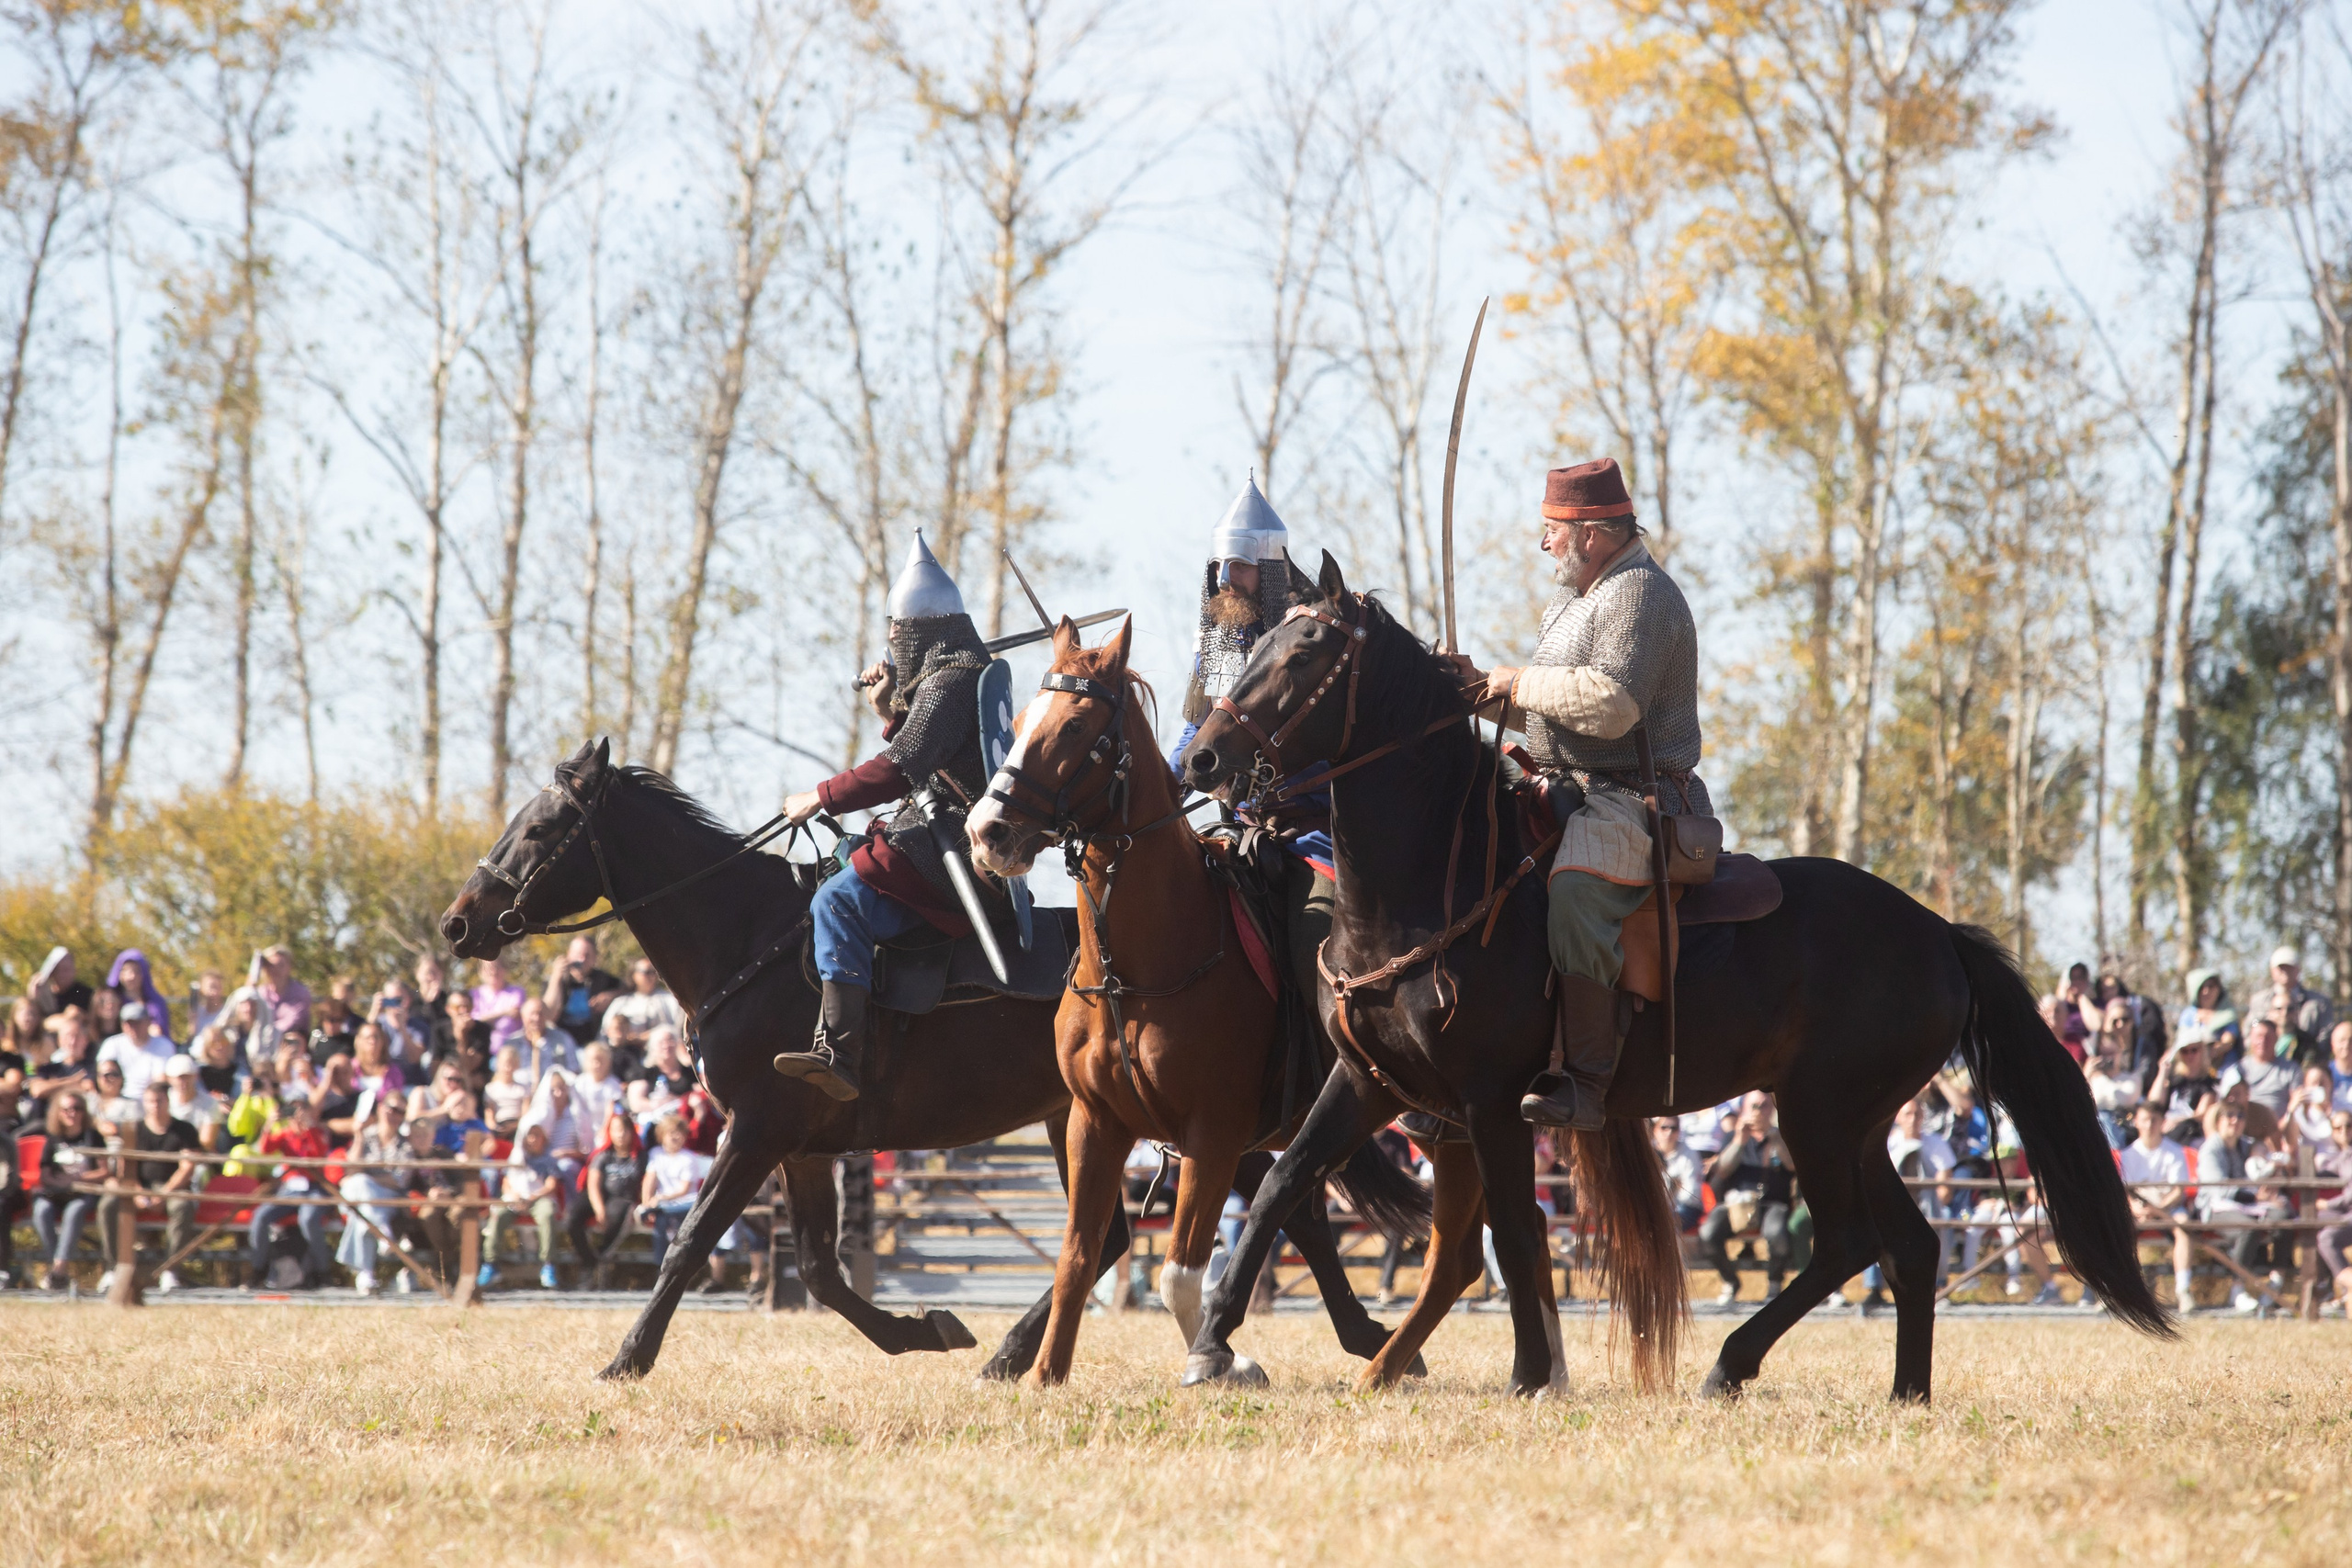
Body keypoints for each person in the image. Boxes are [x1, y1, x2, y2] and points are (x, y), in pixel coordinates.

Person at [1441, 458, 1713, 1129]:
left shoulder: (1641, 593)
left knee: (1576, 891)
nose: (1544, 544)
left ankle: (1588, 1081)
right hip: (1560, 786)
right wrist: (1471, 688)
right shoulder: (1569, 603)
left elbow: (1612, 705)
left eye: (1551, 531)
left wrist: (1508, 678)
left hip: (1635, 800)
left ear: (1591, 534)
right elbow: (1549, 709)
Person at [772, 532, 997, 1101]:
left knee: (837, 900)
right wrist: (889, 709)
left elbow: (902, 768)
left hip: (946, 844)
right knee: (834, 870)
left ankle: (842, 1053)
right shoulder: (955, 677)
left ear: (919, 631)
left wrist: (819, 796)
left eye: (898, 631)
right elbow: (932, 758)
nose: (893, 642)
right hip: (931, 826)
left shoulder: (951, 681)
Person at [97, 1080, 199, 1294]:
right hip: (139, 1186)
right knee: (109, 1203)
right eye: (150, 1101)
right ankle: (113, 1268)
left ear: (168, 1101)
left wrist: (164, 1194)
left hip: (172, 1188)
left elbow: (187, 1167)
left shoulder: (184, 1129)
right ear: (144, 1103)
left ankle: (170, 1270)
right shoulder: (133, 1130)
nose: (155, 1106)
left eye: (159, 1101)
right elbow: (126, 1167)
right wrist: (138, 1193)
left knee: (182, 1206)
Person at [1698, 1092, 1792, 1306]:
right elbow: (1722, 1171)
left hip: (1772, 1204)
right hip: (1736, 1204)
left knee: (1776, 1233)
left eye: (1764, 1106)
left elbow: (1792, 1166)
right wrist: (1740, 1140)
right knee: (1708, 1232)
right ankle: (1731, 1281)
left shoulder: (1781, 1136)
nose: (1759, 1112)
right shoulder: (1734, 1136)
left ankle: (1775, 1283)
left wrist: (1775, 1138)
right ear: (1743, 1110)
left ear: (1773, 1110)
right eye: (1754, 1107)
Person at [2197, 1100, 2290, 1313]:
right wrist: (2256, 1196)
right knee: (2247, 1228)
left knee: (2283, 1216)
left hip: (2249, 1205)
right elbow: (2219, 1188)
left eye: (2240, 1117)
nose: (2235, 1121)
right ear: (2218, 1121)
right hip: (2215, 1208)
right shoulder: (2210, 1149)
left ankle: (2275, 1284)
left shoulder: (2246, 1146)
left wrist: (2268, 1170)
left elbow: (2265, 1163)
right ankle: (2237, 1290)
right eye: (2229, 1116)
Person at [2119, 1100, 2197, 1312]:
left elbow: (2178, 1191)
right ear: (2137, 1122)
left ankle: (2183, 1290)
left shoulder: (2175, 1152)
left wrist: (2157, 1210)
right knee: (2117, 1229)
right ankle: (2120, 1291)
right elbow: (2125, 1192)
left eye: (2155, 1119)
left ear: (2162, 1122)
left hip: (2168, 1208)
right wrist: (2134, 1208)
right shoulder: (2128, 1155)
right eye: (2145, 1119)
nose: (2150, 1124)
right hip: (2138, 1208)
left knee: (2184, 1227)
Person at [247, 1097, 332, 1289]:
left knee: (308, 1219)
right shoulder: (285, 1134)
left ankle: (323, 1272)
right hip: (289, 1188)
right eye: (292, 1111)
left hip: (314, 1188)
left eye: (301, 1110)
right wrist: (269, 1125)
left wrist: (309, 1128)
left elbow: (319, 1154)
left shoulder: (318, 1132)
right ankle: (257, 1269)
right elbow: (265, 1150)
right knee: (260, 1216)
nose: (296, 1115)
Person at [335, 1094, 413, 1295]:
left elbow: (399, 1180)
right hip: (368, 1201)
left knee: (361, 1205)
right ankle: (383, 1233)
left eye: (401, 1112)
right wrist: (359, 1136)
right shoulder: (366, 1136)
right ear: (380, 1108)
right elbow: (351, 1168)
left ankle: (366, 1274)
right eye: (392, 1108)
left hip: (388, 1199)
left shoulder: (405, 1144)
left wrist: (367, 1178)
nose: (395, 1115)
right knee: (362, 1200)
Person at [31, 1092, 105, 1290]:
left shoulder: (92, 1136)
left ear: (83, 1111)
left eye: (77, 1108)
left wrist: (78, 1178)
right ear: (58, 1113)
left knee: (74, 1211)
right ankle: (58, 1268)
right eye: (66, 1109)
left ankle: (58, 1271)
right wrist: (59, 1181)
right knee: (41, 1210)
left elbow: (104, 1171)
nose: (72, 1113)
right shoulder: (53, 1138)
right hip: (55, 1192)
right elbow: (45, 1173)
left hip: (83, 1192)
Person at [484, 1122, 565, 1290]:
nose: (533, 1140)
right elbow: (506, 1181)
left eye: (537, 1135)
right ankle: (490, 1263)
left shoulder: (549, 1160)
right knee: (498, 1214)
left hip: (538, 1198)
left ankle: (548, 1265)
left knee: (547, 1214)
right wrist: (514, 1197)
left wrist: (532, 1198)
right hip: (515, 1198)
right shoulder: (516, 1157)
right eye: (530, 1135)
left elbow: (551, 1185)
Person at [570, 1115, 645, 1288]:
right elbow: (593, 1183)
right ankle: (588, 1260)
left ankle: (600, 1260)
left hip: (622, 1199)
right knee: (572, 1216)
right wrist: (599, 1210)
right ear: (609, 1132)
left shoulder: (640, 1156)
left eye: (625, 1130)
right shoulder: (603, 1155)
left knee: (617, 1214)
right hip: (599, 1196)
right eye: (616, 1130)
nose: (621, 1135)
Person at [639, 1112, 713, 1278]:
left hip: (686, 1203)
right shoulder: (656, 1154)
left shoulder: (688, 1158)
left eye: (678, 1133)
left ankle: (671, 1268)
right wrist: (647, 1203)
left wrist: (660, 1200)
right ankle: (662, 1267)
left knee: (664, 1218)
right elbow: (650, 1180)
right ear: (662, 1135)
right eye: (670, 1132)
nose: (675, 1137)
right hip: (663, 1206)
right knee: (660, 1223)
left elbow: (684, 1190)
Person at [2246, 945, 2332, 1066]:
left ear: (2298, 969)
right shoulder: (2258, 1001)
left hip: (2305, 1062)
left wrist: (2312, 1058)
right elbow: (2249, 1033)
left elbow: (2325, 1037)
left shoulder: (2319, 1003)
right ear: (2272, 971)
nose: (2285, 972)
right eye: (2281, 968)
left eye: (2290, 967)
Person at [2221, 1017, 2297, 1133]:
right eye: (2258, 1036)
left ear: (2276, 1039)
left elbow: (2297, 1101)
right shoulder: (2236, 1070)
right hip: (2242, 1130)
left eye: (2267, 1037)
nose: (2263, 1041)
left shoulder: (2291, 1070)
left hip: (2278, 1131)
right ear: (2250, 1038)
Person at [540, 936, 620, 1044]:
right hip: (561, 1043)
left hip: (593, 1043)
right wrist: (556, 977)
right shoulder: (555, 980)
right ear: (568, 954)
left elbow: (629, 990)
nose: (582, 960)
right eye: (578, 955)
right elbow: (548, 1014)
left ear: (595, 958)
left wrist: (611, 996)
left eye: (587, 956)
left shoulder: (603, 979)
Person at [2149, 1035, 2220, 1146]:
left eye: (2194, 1050)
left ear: (2202, 1051)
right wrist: (2163, 1071)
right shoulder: (2174, 1080)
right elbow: (2153, 1103)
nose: (2189, 1055)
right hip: (2166, 1127)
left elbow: (2201, 1114)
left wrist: (2179, 1121)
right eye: (2184, 1051)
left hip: (2191, 1132)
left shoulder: (2207, 1083)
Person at [96, 1000, 175, 1100]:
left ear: (148, 1022)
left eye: (137, 1023)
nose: (133, 1028)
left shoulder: (164, 1045)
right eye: (129, 1024)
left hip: (151, 1101)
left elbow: (161, 1080)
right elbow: (103, 1075)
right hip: (118, 1100)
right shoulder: (112, 1044)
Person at [604, 959, 684, 1048]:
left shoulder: (669, 1000)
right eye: (646, 972)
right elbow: (605, 1031)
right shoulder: (621, 1002)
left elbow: (677, 1030)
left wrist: (647, 1036)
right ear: (634, 975)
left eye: (654, 972)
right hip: (624, 1053)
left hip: (660, 1051)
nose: (651, 976)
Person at [628, 1027, 695, 1130]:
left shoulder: (690, 1073)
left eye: (670, 1040)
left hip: (684, 1125)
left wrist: (676, 1102)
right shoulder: (645, 1073)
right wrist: (656, 1104)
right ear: (653, 1047)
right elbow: (636, 1103)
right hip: (655, 1127)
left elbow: (699, 1095)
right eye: (661, 1042)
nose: (666, 1045)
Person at [511, 997, 580, 1089]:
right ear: (523, 1016)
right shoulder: (512, 1043)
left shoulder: (562, 1038)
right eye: (532, 1014)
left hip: (555, 1092)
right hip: (521, 1092)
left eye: (540, 1014)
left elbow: (573, 1070)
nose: (537, 1018)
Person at [161, 1054, 225, 1151]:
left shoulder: (210, 1103)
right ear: (169, 1079)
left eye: (188, 1077)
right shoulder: (162, 1100)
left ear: (196, 1076)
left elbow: (207, 1142)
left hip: (198, 1156)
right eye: (179, 1078)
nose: (184, 1082)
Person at [431, 988, 493, 1087]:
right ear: (448, 1009)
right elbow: (435, 1066)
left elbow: (468, 1067)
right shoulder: (440, 1030)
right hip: (448, 1080)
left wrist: (461, 1037)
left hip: (474, 1084)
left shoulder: (483, 1029)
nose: (463, 1011)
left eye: (467, 1006)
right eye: (457, 1007)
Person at [2177, 969, 2240, 1064]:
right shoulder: (2188, 1015)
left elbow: (2228, 1042)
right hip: (2194, 1068)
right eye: (2202, 987)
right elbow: (2182, 1040)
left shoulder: (2227, 1013)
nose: (2206, 991)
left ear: (2218, 989)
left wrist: (2211, 1053)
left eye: (2211, 986)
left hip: (2224, 1068)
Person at [1653, 1116, 1703, 1230]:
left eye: (1673, 1128)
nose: (1669, 1132)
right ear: (1654, 1130)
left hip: (1685, 1208)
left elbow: (1691, 1193)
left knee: (1662, 1224)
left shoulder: (1689, 1154)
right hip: (1655, 1208)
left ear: (1679, 1131)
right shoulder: (1647, 1152)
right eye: (1664, 1127)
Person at [251, 946, 313, 1037]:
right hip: (263, 1043)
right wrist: (253, 977)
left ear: (289, 967)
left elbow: (292, 1022)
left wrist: (264, 1028)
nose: (276, 970)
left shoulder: (300, 993)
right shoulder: (261, 992)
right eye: (271, 966)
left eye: (281, 965)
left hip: (291, 1041)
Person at [469, 958, 526, 1052]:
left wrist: (487, 1020)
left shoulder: (517, 992)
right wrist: (505, 1013)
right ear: (480, 972)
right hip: (482, 1049)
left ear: (505, 969)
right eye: (488, 968)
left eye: (497, 967)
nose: (493, 972)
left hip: (512, 1049)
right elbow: (474, 1022)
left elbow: (515, 1013)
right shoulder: (474, 994)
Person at [27, 947, 93, 1026]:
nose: (65, 974)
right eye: (61, 970)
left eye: (68, 969)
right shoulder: (44, 996)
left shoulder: (85, 994)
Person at [306, 976, 360, 1064]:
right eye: (336, 1000)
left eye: (343, 1001)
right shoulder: (318, 1033)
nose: (332, 1024)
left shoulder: (358, 1024)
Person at [481, 1045, 530, 1134]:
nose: (508, 1068)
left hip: (518, 1128)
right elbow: (489, 1118)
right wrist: (497, 1128)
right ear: (498, 1064)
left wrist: (514, 1126)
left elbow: (526, 1115)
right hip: (499, 1127)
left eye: (512, 1064)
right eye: (505, 1064)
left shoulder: (523, 1089)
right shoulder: (490, 1089)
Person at [185, 969, 229, 1041]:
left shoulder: (225, 1013)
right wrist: (192, 1024)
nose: (214, 992)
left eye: (217, 987)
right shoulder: (198, 1012)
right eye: (211, 987)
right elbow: (191, 1037)